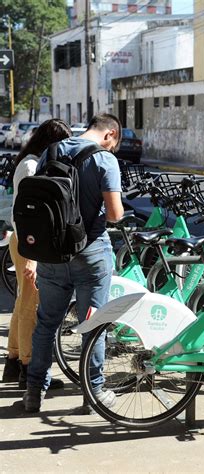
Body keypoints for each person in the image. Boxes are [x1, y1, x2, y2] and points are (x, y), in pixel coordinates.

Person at [22, 113, 124, 413]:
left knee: (47, 324)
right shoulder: (105, 160)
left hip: (52, 255)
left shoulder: (50, 152)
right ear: (110, 135)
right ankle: (92, 394)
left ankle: (33, 392)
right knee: (93, 326)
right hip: (91, 254)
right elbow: (116, 214)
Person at [2, 119, 72, 390]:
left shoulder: (29, 162)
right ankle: (29, 368)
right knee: (30, 305)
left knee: (23, 302)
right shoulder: (32, 166)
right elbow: (30, 212)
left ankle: (14, 359)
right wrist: (33, 253)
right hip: (28, 241)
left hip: (24, 240)